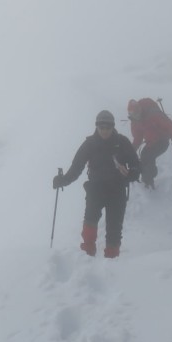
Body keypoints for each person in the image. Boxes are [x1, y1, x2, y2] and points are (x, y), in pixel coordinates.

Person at [53, 110, 140, 258]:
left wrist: (130, 175)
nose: (105, 131)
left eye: (108, 127)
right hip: (95, 188)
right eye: (101, 127)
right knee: (90, 220)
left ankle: (112, 260)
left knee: (114, 228)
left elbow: (136, 166)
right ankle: (87, 255)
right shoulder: (89, 144)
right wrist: (63, 181)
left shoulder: (122, 142)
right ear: (96, 127)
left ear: (113, 127)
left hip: (117, 189)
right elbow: (76, 168)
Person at [127, 98, 172, 190]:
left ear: (140, 109)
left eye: (137, 112)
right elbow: (138, 138)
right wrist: (131, 151)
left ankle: (148, 180)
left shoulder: (154, 115)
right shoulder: (135, 122)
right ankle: (147, 179)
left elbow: (170, 126)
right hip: (151, 142)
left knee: (146, 156)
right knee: (145, 156)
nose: (137, 115)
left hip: (162, 140)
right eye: (134, 114)